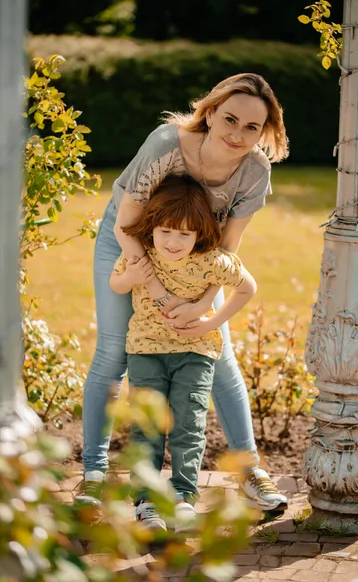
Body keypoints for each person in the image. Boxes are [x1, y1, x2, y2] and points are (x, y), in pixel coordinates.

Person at [75, 72, 289, 514]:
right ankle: (94, 474)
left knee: (217, 352)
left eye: (252, 127)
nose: (238, 134)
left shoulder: (254, 170)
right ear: (209, 113)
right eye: (230, 119)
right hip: (131, 243)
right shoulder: (166, 144)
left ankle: (248, 470)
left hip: (200, 255)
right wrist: (154, 289)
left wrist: (202, 305)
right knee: (115, 351)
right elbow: (124, 224)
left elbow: (227, 250)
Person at [110, 174, 257, 532]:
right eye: (166, 231)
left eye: (185, 234)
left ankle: (182, 498)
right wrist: (132, 276)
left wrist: (212, 323)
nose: (174, 242)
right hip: (146, 350)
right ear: (152, 228)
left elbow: (247, 288)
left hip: (196, 351)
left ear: (199, 234)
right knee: (147, 426)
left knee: (188, 425)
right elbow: (117, 283)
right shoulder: (140, 254)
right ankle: (146, 505)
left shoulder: (211, 260)